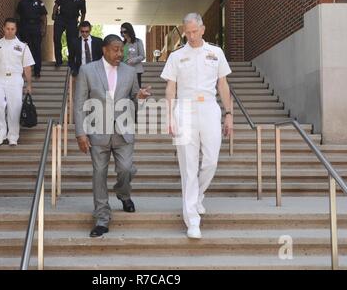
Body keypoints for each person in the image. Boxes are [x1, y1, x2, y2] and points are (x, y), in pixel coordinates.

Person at [161, 13, 233, 239]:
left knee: (211, 160)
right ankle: (192, 219)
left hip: (210, 108)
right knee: (188, 166)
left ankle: (198, 195)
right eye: (187, 32)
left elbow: (223, 84)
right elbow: (170, 88)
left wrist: (229, 113)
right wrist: (169, 115)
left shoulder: (216, 53)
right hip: (184, 109)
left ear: (202, 29)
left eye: (194, 31)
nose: (191, 36)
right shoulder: (176, 56)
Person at [74, 34, 152, 238]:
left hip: (123, 131)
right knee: (99, 174)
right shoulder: (87, 70)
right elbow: (80, 103)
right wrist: (80, 133)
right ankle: (101, 218)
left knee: (126, 169)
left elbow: (134, 97)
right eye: (116, 49)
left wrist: (140, 97)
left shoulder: (129, 71)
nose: (120, 53)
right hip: (97, 132)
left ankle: (123, 194)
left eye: (121, 49)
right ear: (105, 50)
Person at [0, 18, 35, 146]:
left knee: (14, 108)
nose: (10, 31)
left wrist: (29, 84)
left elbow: (27, 67)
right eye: (7, 28)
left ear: (16, 30)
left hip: (15, 79)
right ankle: (1, 133)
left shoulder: (23, 47)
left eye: (13, 29)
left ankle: (13, 136)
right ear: (3, 28)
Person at [16, 0, 47, 78]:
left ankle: (37, 71)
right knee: (25, 49)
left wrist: (44, 28)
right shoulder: (22, 2)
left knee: (37, 49)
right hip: (25, 27)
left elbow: (44, 16)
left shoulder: (39, 2)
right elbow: (18, 16)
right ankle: (25, 70)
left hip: (36, 27)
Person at [52, 0, 86, 68]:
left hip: (72, 21)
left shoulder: (81, 0)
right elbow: (56, 4)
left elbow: (83, 13)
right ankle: (58, 60)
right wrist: (54, 13)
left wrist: (81, 25)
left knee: (71, 42)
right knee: (56, 38)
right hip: (61, 18)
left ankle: (71, 61)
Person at [120, 22, 145, 88]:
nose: (123, 34)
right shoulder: (121, 44)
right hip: (124, 70)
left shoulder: (138, 42)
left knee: (136, 91)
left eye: (125, 32)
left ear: (129, 31)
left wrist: (133, 60)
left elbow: (142, 56)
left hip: (135, 70)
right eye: (121, 32)